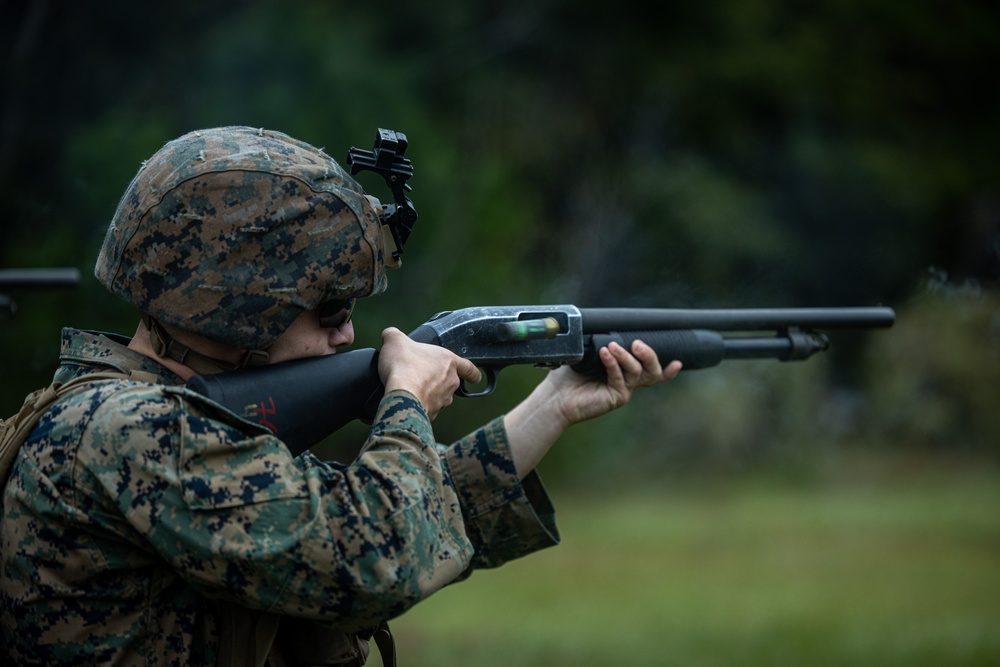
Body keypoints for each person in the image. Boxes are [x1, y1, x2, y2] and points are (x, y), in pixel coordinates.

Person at [0, 126, 681, 666]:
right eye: (328, 309)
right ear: (237, 305)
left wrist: (552, 404)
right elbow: (376, 556)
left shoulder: (123, 417)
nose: (349, 332)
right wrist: (407, 398)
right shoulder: (135, 433)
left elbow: (354, 524)